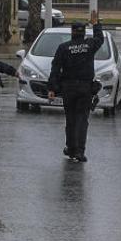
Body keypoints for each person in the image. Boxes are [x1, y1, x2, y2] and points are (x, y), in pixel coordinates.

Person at [48, 11, 104, 163]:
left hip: (69, 88)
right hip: (85, 88)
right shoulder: (89, 45)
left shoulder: (64, 47)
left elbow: (55, 68)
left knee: (71, 119)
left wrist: (52, 88)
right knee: (82, 119)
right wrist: (96, 23)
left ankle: (71, 147)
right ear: (84, 32)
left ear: (72, 32)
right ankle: (79, 150)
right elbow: (100, 39)